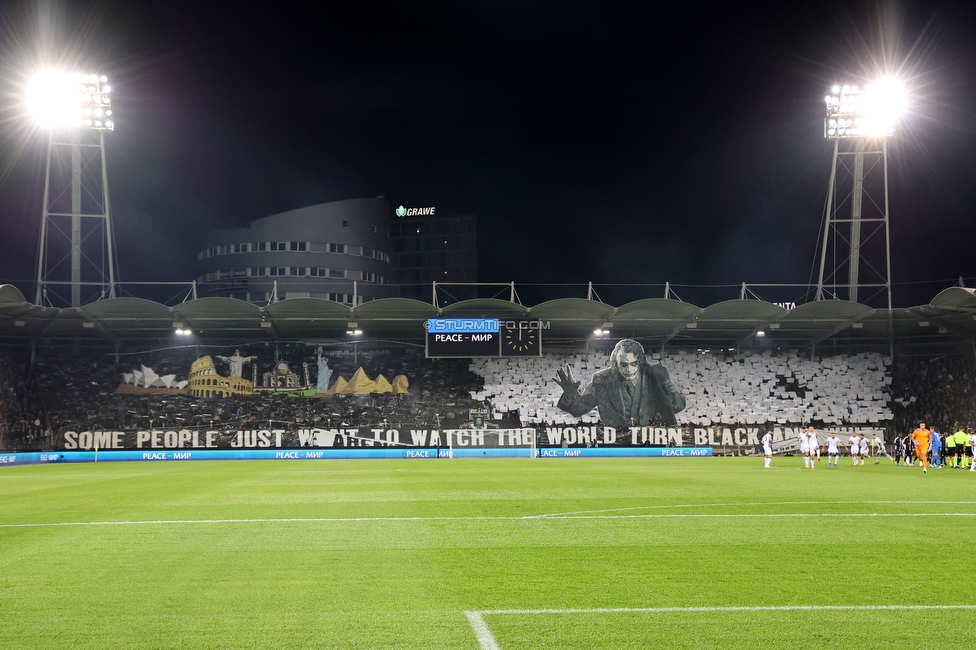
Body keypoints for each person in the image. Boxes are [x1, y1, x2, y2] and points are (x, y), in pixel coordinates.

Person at [554, 339, 686, 427]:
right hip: (615, 445)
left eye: (634, 364)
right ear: (615, 364)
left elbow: (677, 406)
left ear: (640, 362)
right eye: (623, 365)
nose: (629, 369)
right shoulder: (601, 380)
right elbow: (578, 409)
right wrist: (570, 394)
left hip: (651, 443)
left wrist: (668, 385)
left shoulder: (654, 377)